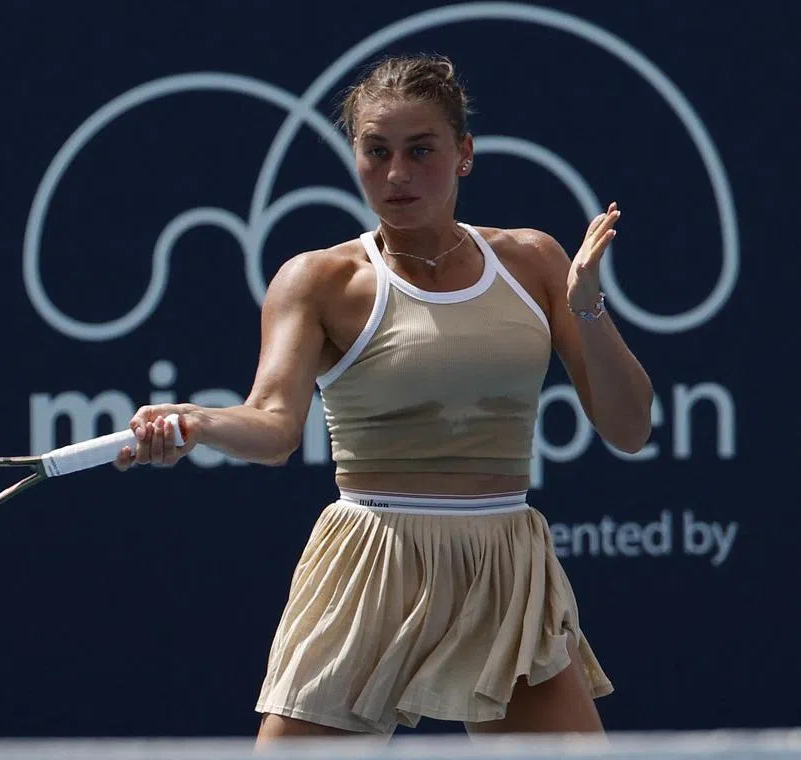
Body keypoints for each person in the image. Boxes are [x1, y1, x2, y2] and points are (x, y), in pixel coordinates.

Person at [114, 53, 653, 741]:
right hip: (372, 559)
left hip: (504, 566)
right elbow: (274, 425)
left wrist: (585, 308)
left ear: (463, 154)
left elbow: (629, 428)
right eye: (377, 151)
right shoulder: (318, 280)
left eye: (420, 150)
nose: (397, 174)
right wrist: (198, 421)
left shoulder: (535, 261)